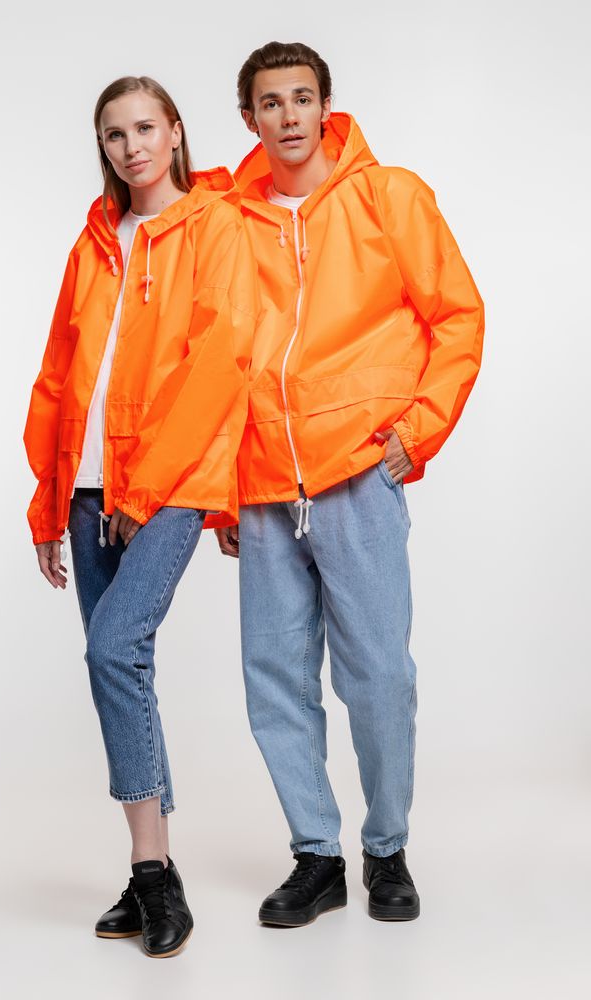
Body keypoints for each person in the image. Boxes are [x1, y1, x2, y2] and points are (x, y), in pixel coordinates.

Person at [217, 42, 484, 925]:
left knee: (378, 677)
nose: (288, 116)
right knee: (274, 681)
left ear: (325, 106)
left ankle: (387, 848)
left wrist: (419, 429)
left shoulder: (389, 196)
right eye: (270, 102)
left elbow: (457, 317)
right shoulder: (233, 223)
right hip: (262, 485)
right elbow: (213, 359)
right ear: (249, 118)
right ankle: (316, 856)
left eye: (302, 98)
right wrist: (221, 486)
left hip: (359, 473)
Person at [24, 75, 256, 958]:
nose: (132, 147)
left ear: (177, 132)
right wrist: (48, 501)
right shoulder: (93, 243)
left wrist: (147, 487)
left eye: (146, 128)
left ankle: (154, 879)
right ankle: (149, 867)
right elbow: (57, 378)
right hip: (89, 490)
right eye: (115, 134)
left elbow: (218, 362)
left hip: (172, 482)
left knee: (111, 648)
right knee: (123, 667)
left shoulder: (214, 226)